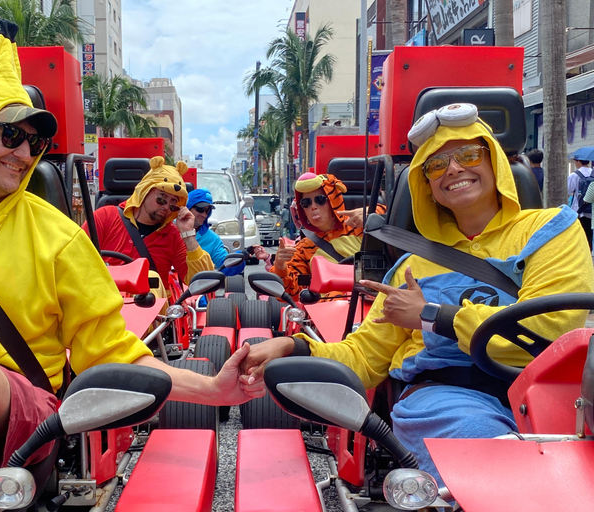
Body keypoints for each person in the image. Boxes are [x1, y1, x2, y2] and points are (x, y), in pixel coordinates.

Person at [0, 30, 261, 512]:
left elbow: (112, 354)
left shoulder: (59, 236)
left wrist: (211, 389)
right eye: (11, 135)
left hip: (21, 419)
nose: (24, 153)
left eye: (35, 141)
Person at [241, 104, 594, 484]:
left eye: (469, 154)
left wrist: (432, 316)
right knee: (501, 475)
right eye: (437, 165)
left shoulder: (551, 229)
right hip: (447, 394)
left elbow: (549, 331)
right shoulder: (411, 268)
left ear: (495, 162)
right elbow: (363, 357)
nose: (454, 169)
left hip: (556, 392)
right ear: (426, 187)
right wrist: (294, 348)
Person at [83, 156, 214, 297]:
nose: (165, 206)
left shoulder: (173, 235)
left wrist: (189, 235)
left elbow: (202, 281)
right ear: (145, 191)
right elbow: (78, 259)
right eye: (161, 198)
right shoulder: (105, 217)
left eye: (173, 202)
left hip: (152, 312)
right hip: (104, 303)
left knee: (152, 281)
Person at [270, 172, 383, 299]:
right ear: (303, 211)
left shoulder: (361, 225)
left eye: (320, 200)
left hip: (373, 302)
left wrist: (371, 214)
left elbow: (396, 222)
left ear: (332, 201)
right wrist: (280, 264)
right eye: (306, 203)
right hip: (330, 309)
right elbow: (292, 292)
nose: (313, 207)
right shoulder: (302, 249)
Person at [186, 187, 244, 276]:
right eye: (200, 209)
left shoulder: (212, 239)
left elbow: (226, 265)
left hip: (199, 287)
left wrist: (239, 259)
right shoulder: (170, 232)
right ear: (187, 208)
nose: (204, 214)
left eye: (207, 210)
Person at [567, 156, 593, 250]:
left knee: (580, 235)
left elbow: (568, 191)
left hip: (579, 210)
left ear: (578, 161)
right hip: (592, 210)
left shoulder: (574, 175)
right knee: (590, 236)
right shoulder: (592, 173)